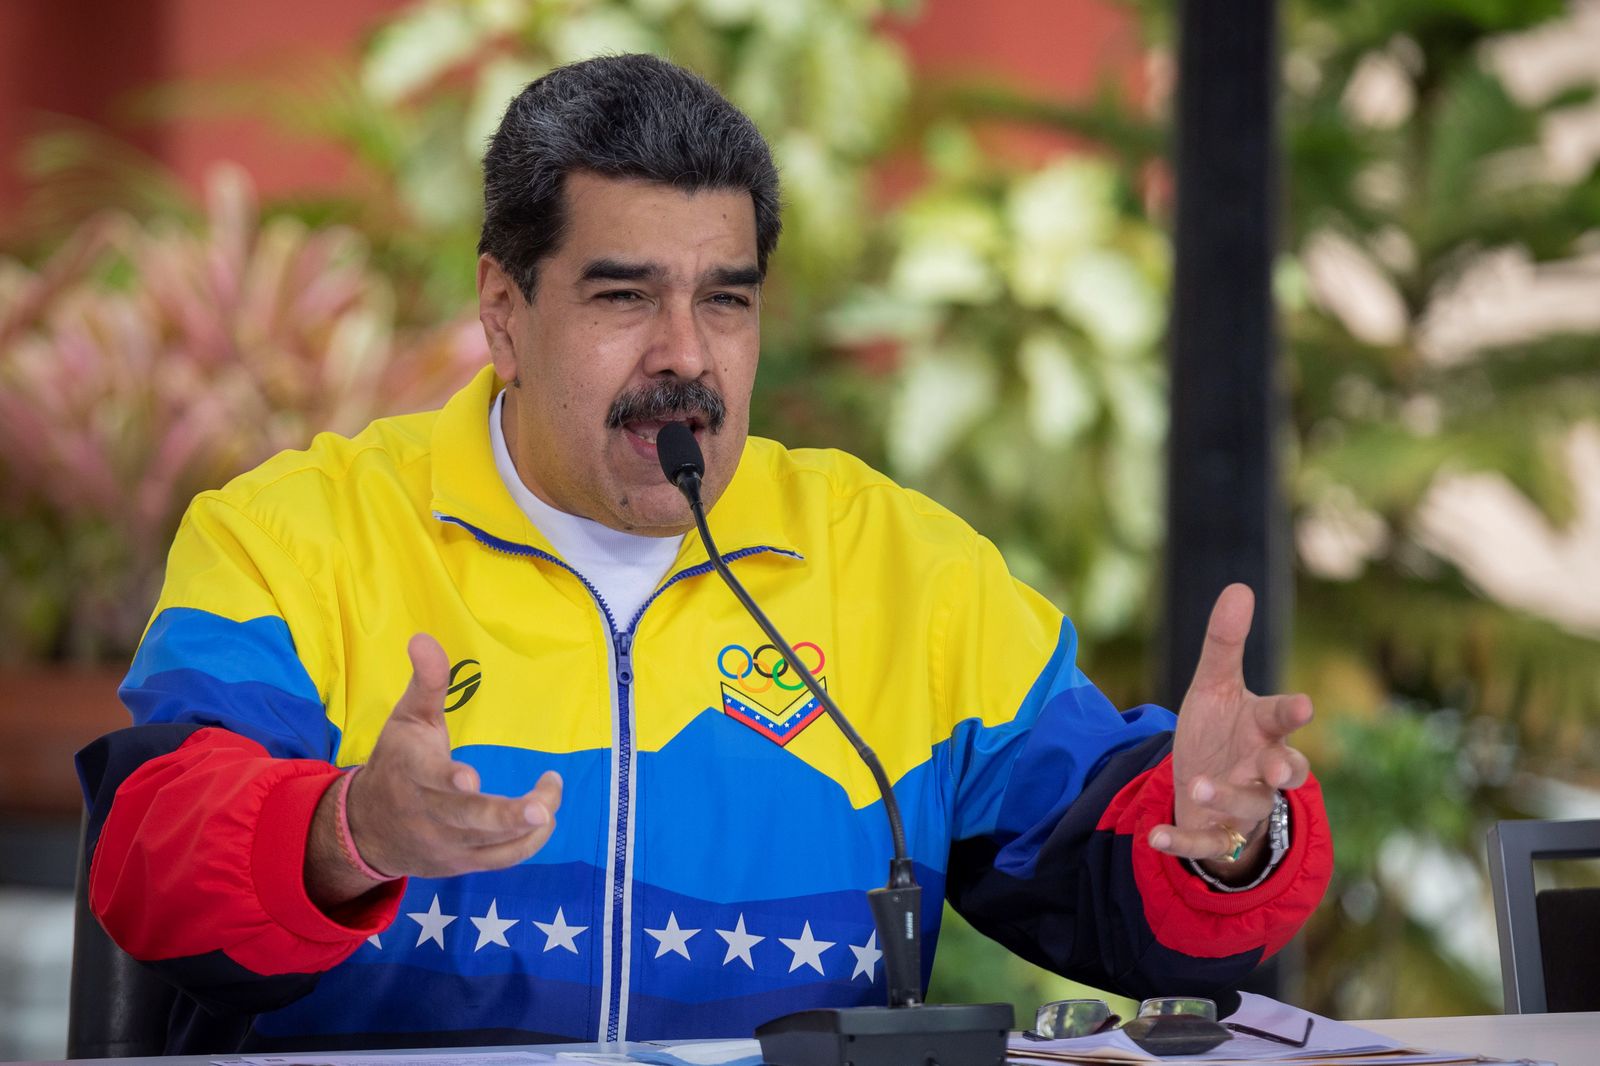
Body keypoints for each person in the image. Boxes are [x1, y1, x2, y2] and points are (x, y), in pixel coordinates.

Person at [77, 53, 1332, 1052]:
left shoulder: (894, 564)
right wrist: (345, 830)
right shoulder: (298, 534)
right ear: (505, 315)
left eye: (724, 299)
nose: (684, 351)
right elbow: (151, 848)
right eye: (624, 296)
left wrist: (1221, 835)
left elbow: (1102, 856)